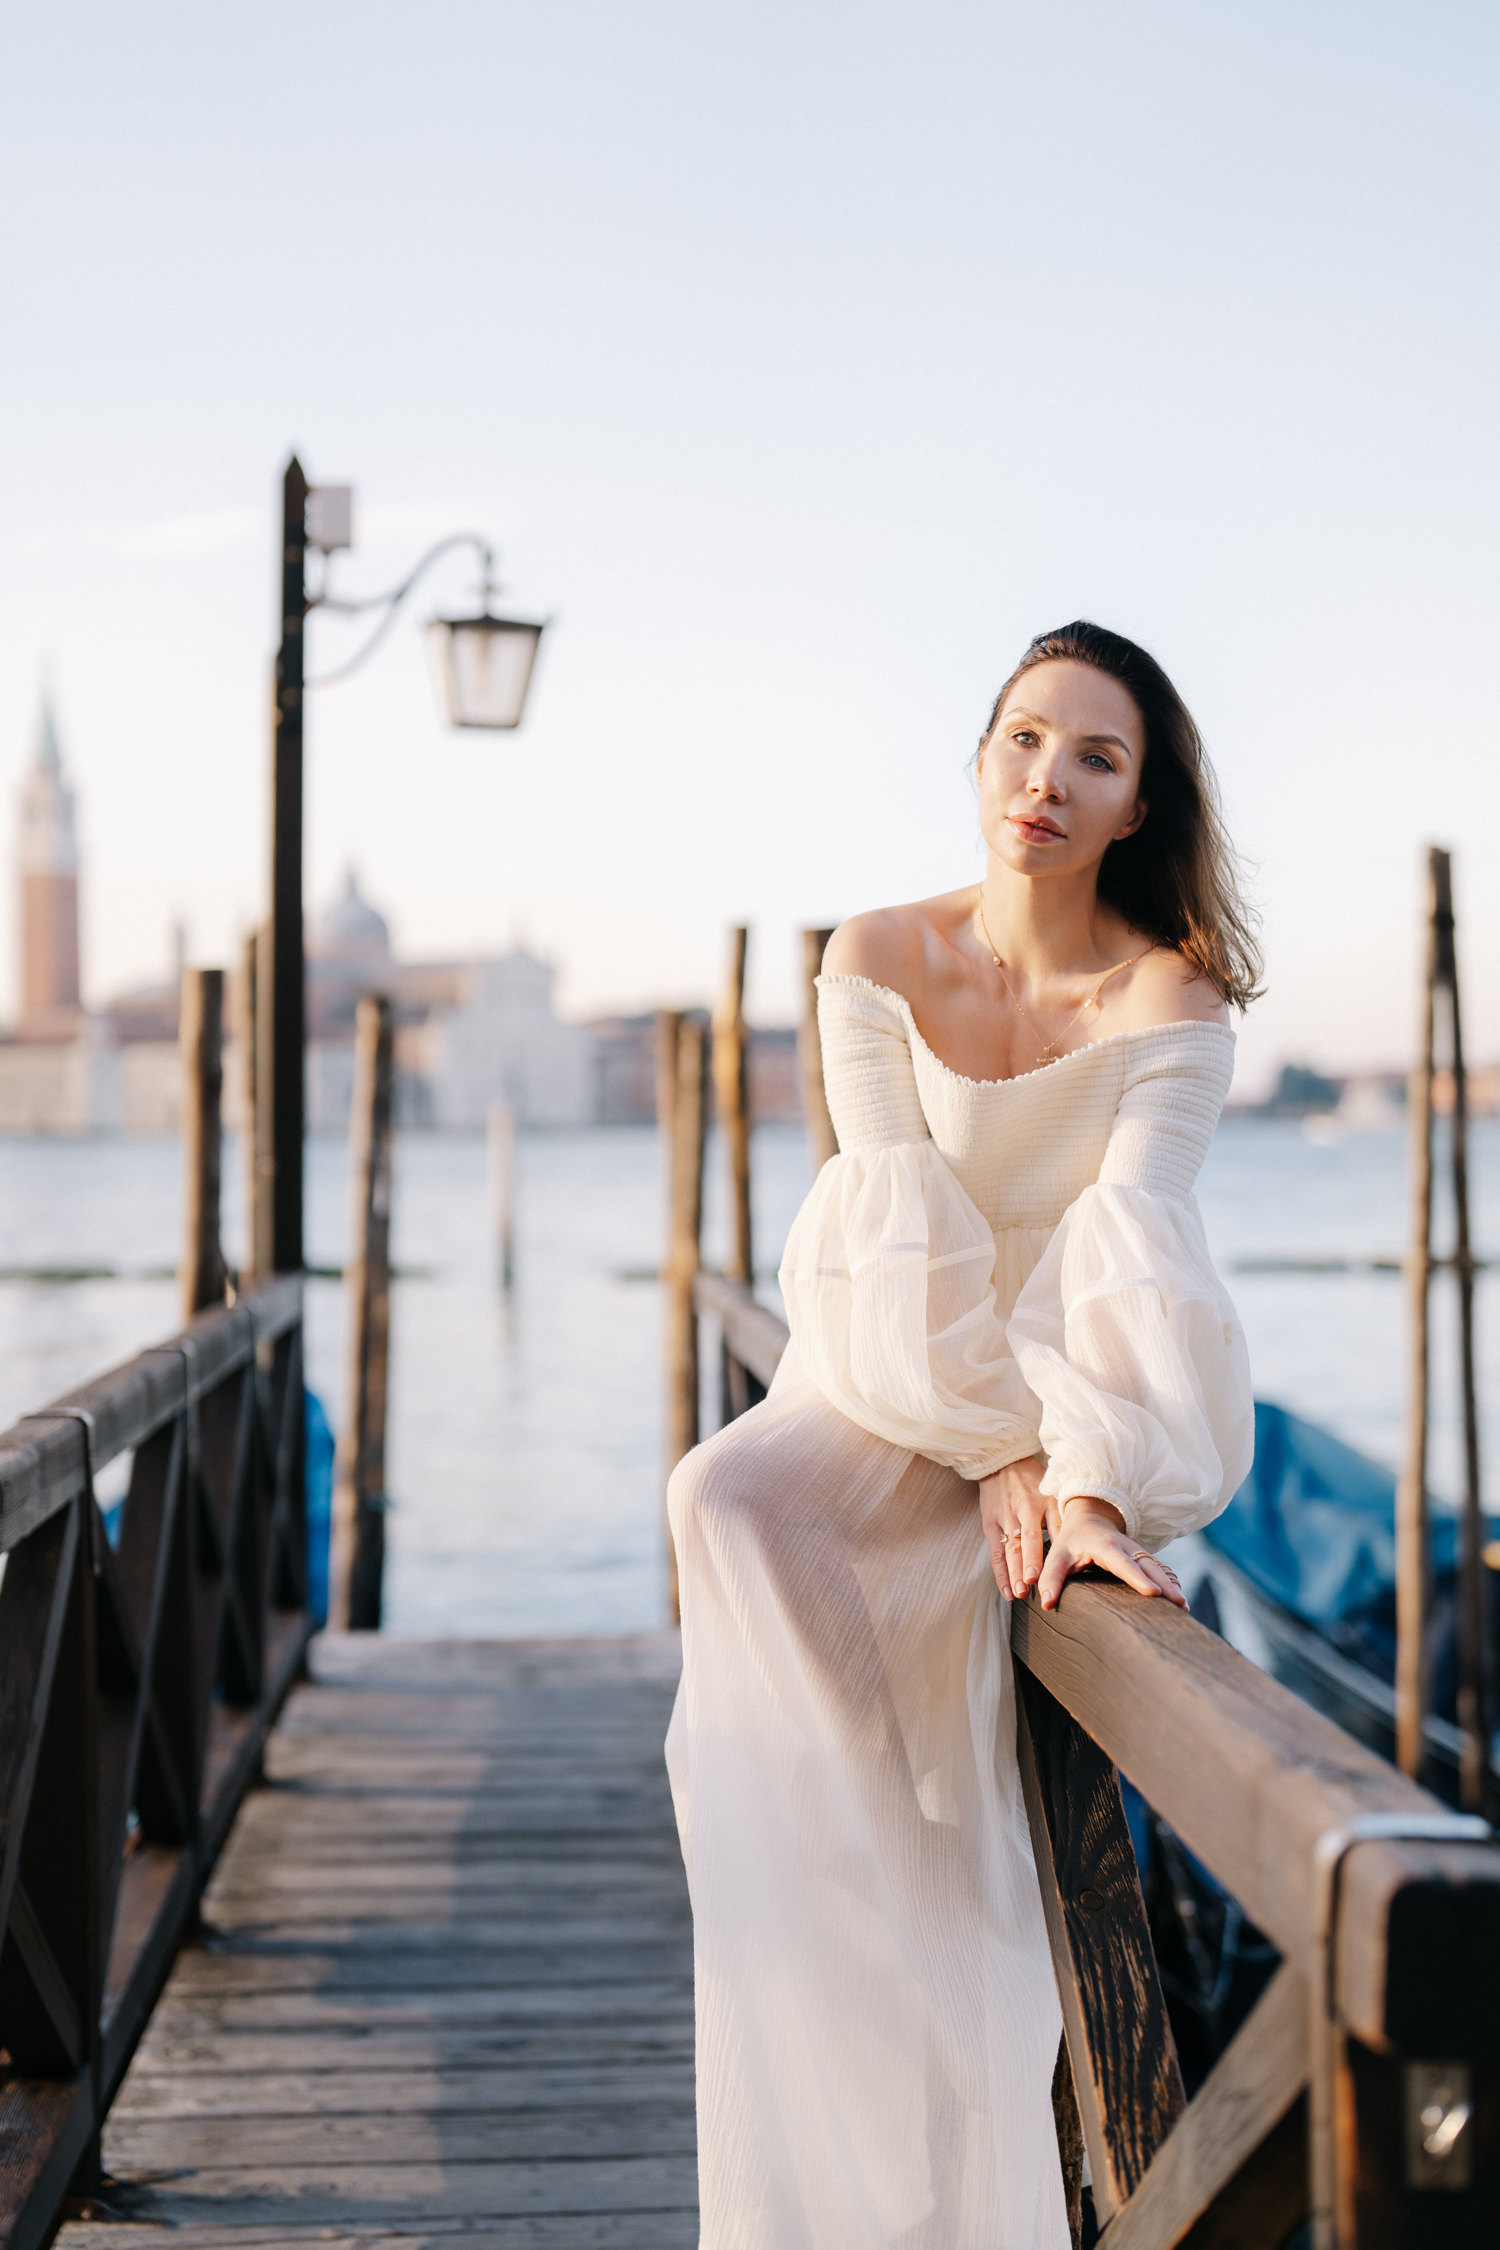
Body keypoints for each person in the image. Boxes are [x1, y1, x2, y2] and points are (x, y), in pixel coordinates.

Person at [665, 620, 1259, 2250]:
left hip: (1071, 1391)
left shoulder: (1170, 993)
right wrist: (984, 1443)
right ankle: (847, 1904)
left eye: (1094, 756)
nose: (1045, 780)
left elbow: (1129, 1251)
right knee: (720, 1494)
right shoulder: (875, 953)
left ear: (1141, 802)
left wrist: (1067, 1473)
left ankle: (952, 1972)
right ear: (980, 756)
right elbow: (891, 1229)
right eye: (1021, 738)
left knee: (1007, 1684)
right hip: (895, 1370)